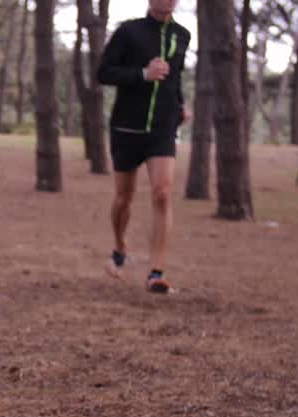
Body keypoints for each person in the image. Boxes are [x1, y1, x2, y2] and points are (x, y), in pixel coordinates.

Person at [96, 0, 191, 294]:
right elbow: (104, 73)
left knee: (162, 193)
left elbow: (174, 78)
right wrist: (141, 74)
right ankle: (119, 245)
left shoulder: (183, 35)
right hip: (126, 127)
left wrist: (180, 105)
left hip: (162, 128)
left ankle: (156, 273)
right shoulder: (129, 31)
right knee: (124, 197)